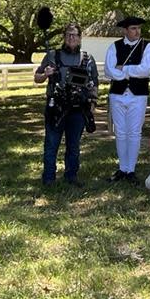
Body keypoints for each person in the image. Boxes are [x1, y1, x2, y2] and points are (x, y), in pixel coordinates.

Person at [34, 22, 98, 187]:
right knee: (51, 144)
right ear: (64, 37)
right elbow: (37, 78)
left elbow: (94, 83)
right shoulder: (52, 56)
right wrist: (45, 74)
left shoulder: (87, 59)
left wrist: (92, 104)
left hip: (78, 109)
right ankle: (49, 178)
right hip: (56, 107)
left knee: (74, 146)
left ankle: (71, 176)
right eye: (68, 35)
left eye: (74, 35)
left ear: (80, 38)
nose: (71, 38)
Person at [105, 15, 150, 183]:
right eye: (133, 28)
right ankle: (122, 168)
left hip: (138, 94)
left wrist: (123, 69)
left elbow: (145, 70)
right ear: (125, 30)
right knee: (120, 131)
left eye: (139, 28)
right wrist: (130, 71)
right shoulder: (114, 46)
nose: (137, 31)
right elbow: (109, 71)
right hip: (117, 94)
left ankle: (131, 170)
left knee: (134, 132)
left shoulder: (147, 47)